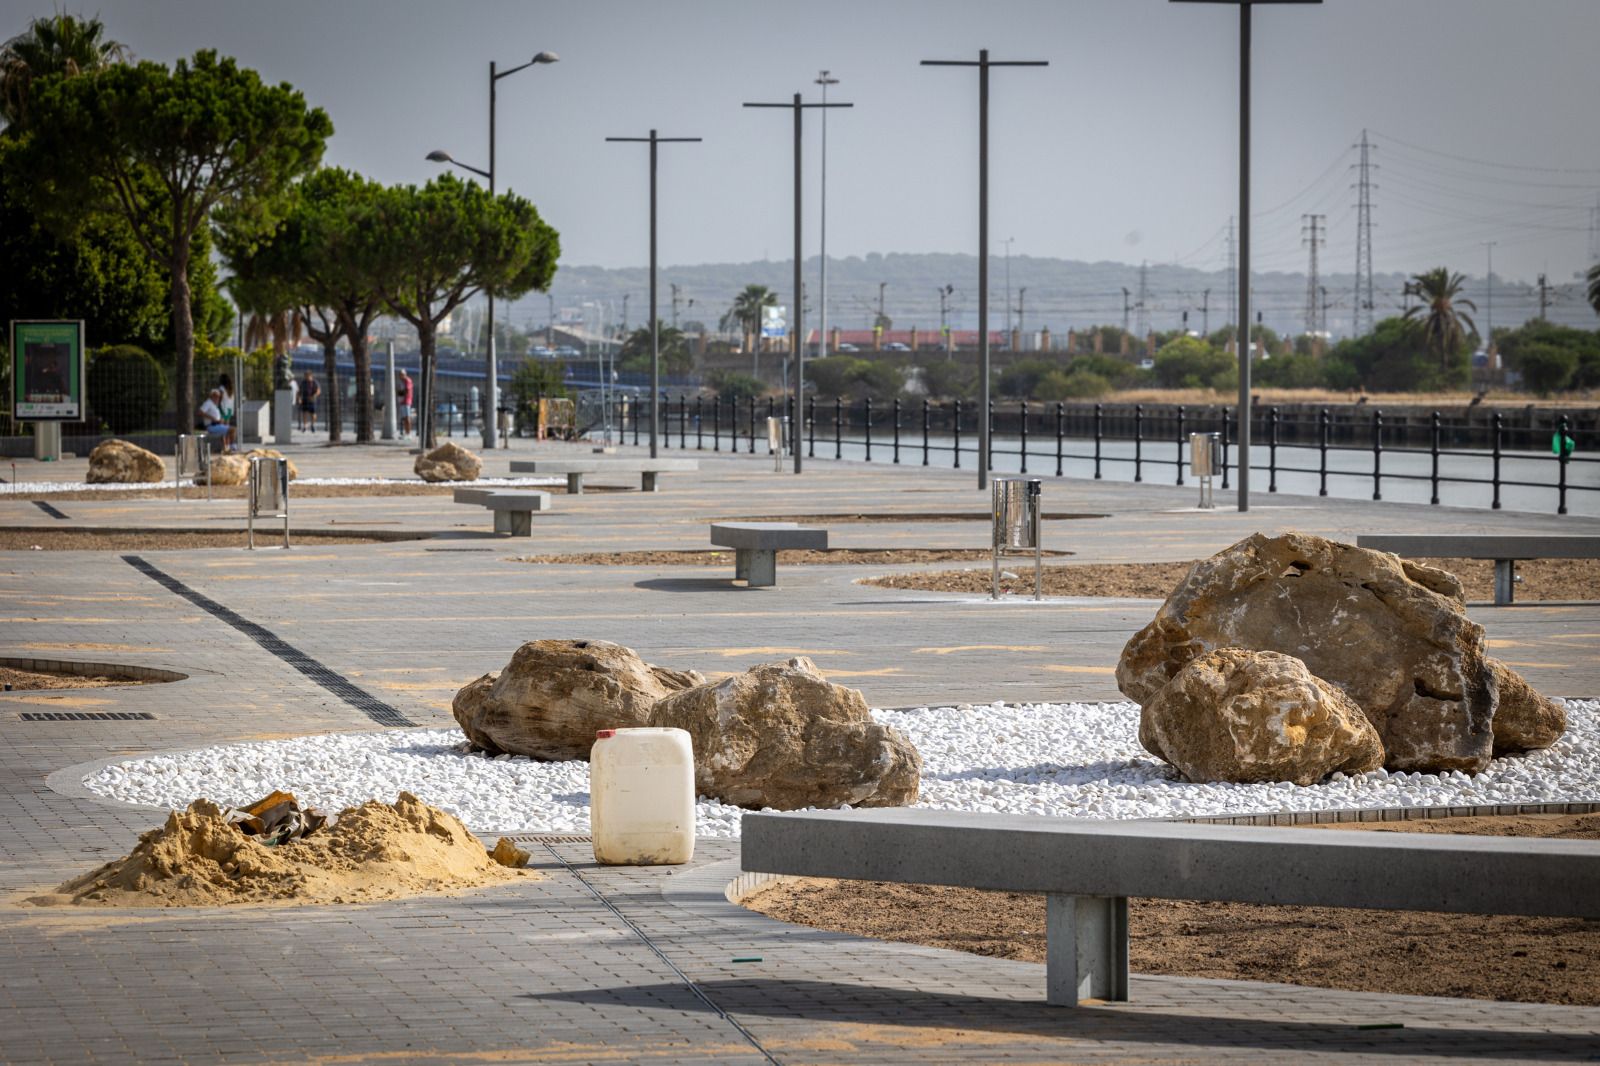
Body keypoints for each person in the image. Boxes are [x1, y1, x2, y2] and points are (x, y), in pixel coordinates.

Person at [197, 387, 236, 453]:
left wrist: (220, 420)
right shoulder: (208, 403)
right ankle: (232, 448)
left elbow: (216, 416)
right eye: (216, 396)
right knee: (232, 429)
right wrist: (213, 418)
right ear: (212, 396)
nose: (218, 398)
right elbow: (200, 412)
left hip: (217, 425)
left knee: (227, 431)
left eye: (219, 397)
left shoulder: (214, 405)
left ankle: (226, 449)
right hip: (211, 426)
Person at [396, 369, 414, 437]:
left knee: (407, 417)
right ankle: (406, 432)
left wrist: (399, 393)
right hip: (402, 401)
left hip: (406, 401)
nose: (401, 376)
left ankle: (408, 433)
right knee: (404, 418)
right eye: (400, 375)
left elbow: (406, 390)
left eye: (402, 375)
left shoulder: (407, 381)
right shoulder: (402, 381)